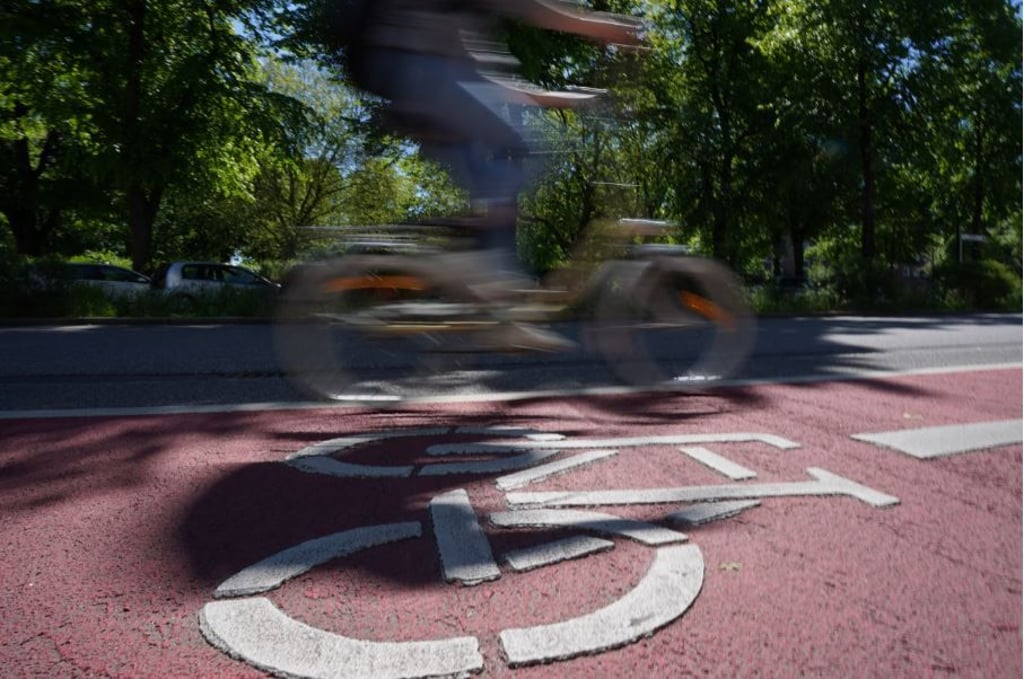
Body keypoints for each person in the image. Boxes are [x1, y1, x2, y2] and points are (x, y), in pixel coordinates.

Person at [329, 0, 643, 350]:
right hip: (408, 65)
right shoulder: (440, 27)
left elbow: (488, 86)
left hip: (403, 74)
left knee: (492, 180)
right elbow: (527, 8)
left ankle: (475, 277)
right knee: (525, 146)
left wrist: (568, 99)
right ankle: (496, 296)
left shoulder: (454, 29)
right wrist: (598, 26)